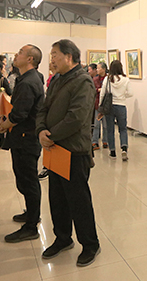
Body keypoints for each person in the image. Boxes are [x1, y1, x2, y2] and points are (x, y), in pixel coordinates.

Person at [36, 39, 100, 266]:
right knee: (57, 198)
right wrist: (41, 130)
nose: (51, 59)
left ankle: (90, 244)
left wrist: (50, 136)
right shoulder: (57, 79)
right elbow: (43, 108)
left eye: (55, 54)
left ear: (69, 57)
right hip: (55, 150)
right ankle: (63, 238)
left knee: (78, 201)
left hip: (73, 151)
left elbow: (76, 117)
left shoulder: (83, 81)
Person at [0, 45, 45, 243]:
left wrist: (3, 125)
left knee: (28, 180)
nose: (16, 55)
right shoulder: (31, 78)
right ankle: (31, 214)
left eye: (20, 53)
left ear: (30, 59)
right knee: (24, 179)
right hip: (25, 137)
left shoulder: (28, 82)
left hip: (26, 139)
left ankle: (31, 226)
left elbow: (19, 114)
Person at [98, 60, 133, 161]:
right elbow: (130, 93)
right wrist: (122, 96)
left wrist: (100, 106)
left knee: (110, 129)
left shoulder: (107, 79)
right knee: (123, 129)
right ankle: (124, 148)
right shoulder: (125, 80)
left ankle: (112, 152)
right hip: (121, 106)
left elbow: (102, 93)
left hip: (109, 106)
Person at [91, 62, 108, 150]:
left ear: (104, 69)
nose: (97, 70)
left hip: (106, 105)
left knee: (105, 125)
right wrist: (98, 90)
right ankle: (94, 142)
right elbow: (92, 90)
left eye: (98, 68)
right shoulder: (95, 79)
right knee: (96, 124)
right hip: (98, 104)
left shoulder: (108, 79)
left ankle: (105, 141)